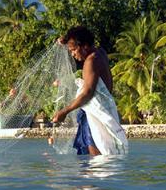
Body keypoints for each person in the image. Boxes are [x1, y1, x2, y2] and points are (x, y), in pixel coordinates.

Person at [51, 26, 127, 155]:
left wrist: (64, 111)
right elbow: (82, 34)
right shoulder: (101, 53)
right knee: (97, 157)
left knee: (95, 159)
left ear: (85, 46)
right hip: (103, 109)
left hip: (94, 114)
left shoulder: (90, 61)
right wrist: (68, 38)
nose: (72, 54)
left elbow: (87, 93)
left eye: (74, 50)